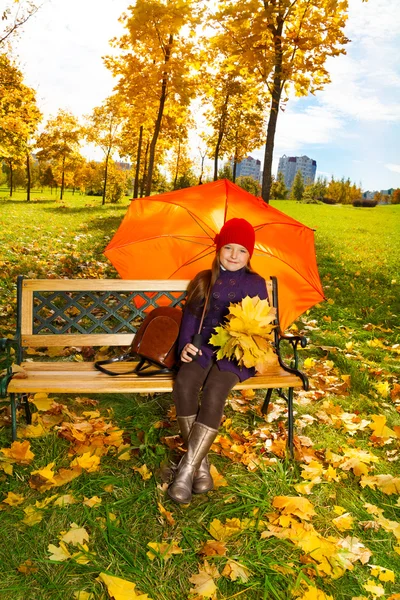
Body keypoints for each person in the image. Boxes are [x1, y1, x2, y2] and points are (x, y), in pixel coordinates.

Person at [168, 218, 268, 504]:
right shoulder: (203, 279)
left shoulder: (256, 283)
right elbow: (190, 318)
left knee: (214, 392)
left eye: (241, 250)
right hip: (203, 349)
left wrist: (246, 338)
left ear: (250, 255)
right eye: (228, 248)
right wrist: (186, 346)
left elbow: (261, 324)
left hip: (236, 353)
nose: (234, 255)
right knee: (185, 384)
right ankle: (201, 466)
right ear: (218, 249)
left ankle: (186, 470)